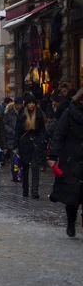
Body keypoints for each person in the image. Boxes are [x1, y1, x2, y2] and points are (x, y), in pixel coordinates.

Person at [48, 87, 83, 237]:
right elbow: (59, 135)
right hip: (71, 159)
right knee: (73, 196)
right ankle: (71, 221)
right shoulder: (69, 113)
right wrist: (53, 156)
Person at [15, 94, 46, 198]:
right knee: (25, 167)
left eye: (33, 103)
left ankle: (34, 191)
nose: (32, 105)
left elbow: (42, 130)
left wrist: (40, 140)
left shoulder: (39, 114)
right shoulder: (21, 114)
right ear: (26, 104)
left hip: (35, 143)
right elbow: (18, 130)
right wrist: (17, 144)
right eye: (30, 103)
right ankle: (25, 189)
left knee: (35, 166)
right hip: (24, 143)